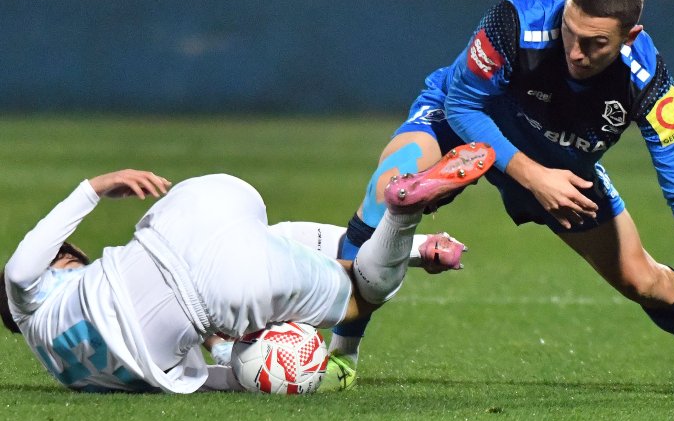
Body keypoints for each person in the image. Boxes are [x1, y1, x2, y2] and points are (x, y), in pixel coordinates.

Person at [329, 0, 674, 391]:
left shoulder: (649, 83)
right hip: (467, 123)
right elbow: (462, 102)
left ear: (630, 35)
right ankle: (341, 355)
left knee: (642, 279)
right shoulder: (514, 21)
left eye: (596, 43)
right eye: (571, 33)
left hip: (560, 162)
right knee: (391, 185)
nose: (576, 51)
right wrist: (530, 175)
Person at [1, 142, 495, 394]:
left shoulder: (74, 374)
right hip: (192, 209)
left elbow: (204, 376)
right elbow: (21, 270)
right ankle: (417, 242)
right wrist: (95, 186)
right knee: (267, 243)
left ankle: (404, 216)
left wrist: (247, 371)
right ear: (61, 263)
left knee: (357, 296)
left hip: (225, 289)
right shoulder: (39, 293)